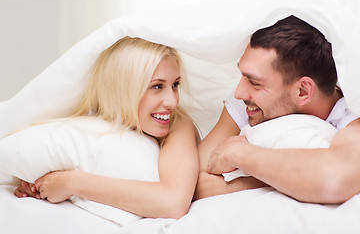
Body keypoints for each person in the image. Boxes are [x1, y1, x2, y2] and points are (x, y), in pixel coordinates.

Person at [14, 36, 199, 219]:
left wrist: (72, 182)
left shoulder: (178, 124)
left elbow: (173, 203)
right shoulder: (91, 126)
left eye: (175, 84)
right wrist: (38, 184)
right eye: (157, 86)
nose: (173, 101)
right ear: (124, 88)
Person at [195, 15, 360, 204]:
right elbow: (191, 183)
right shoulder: (250, 103)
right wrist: (288, 178)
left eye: (255, 82)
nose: (239, 93)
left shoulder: (351, 118)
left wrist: (238, 153)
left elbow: (333, 180)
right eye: (243, 76)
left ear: (303, 90)